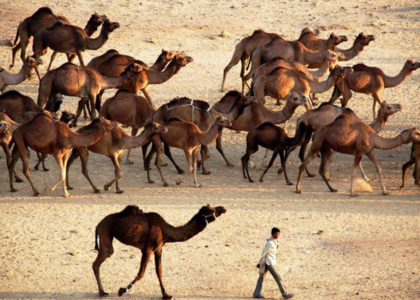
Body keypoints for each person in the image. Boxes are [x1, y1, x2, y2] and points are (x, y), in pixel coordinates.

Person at [253, 227, 294, 299]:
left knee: (261, 277)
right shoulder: (270, 243)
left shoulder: (275, 241)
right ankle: (284, 294)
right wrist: (260, 263)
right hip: (269, 263)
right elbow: (264, 253)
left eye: (278, 234)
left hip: (270, 262)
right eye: (276, 234)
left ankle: (256, 292)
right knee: (278, 277)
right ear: (273, 234)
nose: (278, 235)